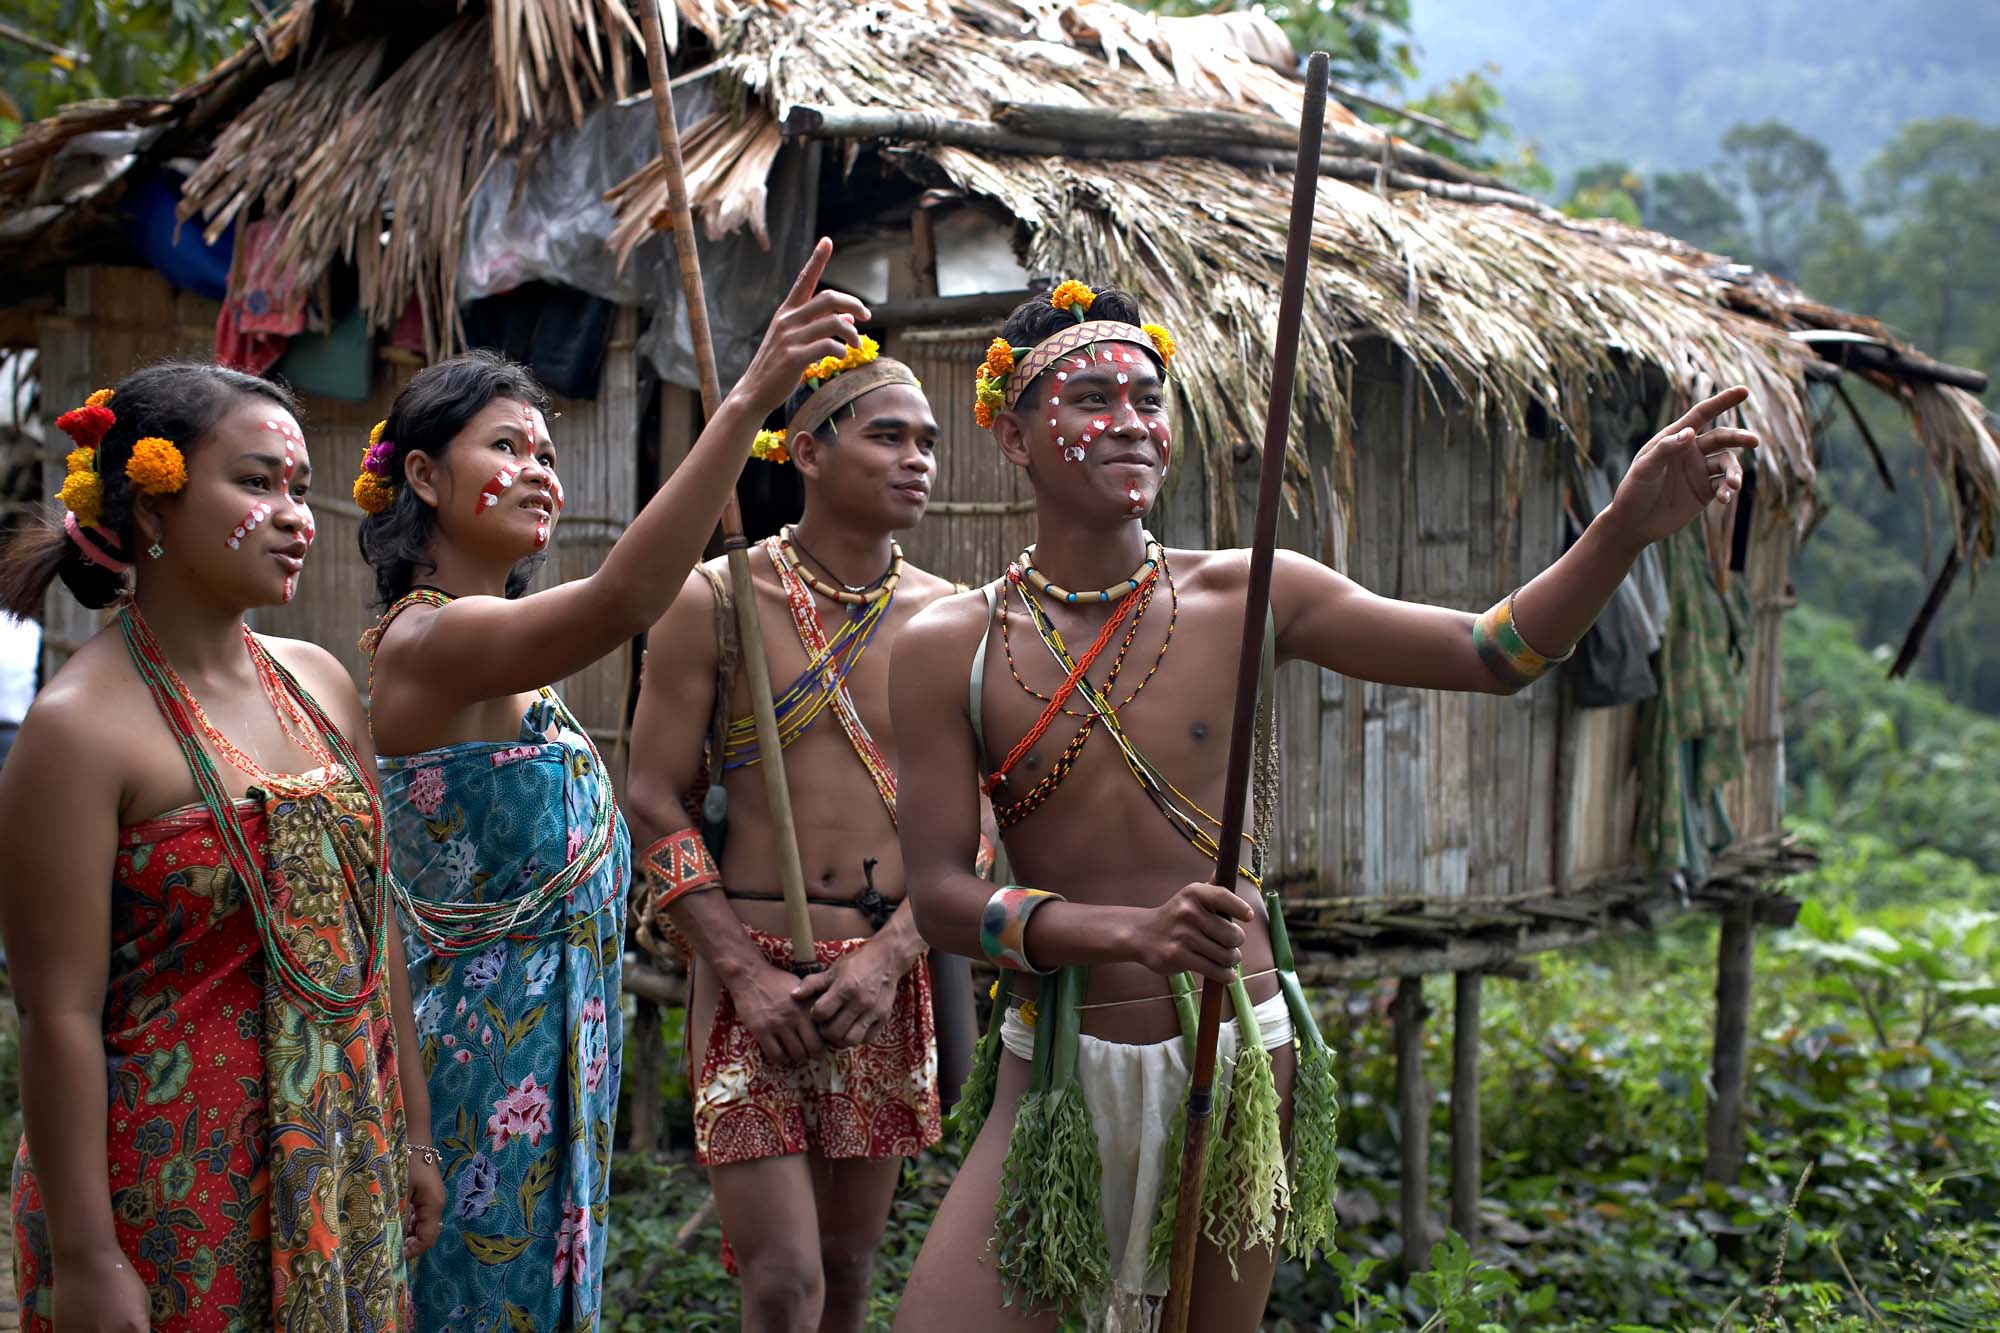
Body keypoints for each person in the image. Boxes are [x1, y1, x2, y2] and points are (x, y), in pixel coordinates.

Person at [889, 281, 1757, 1331]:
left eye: (1147, 398)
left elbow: (1492, 655)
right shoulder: (950, 644)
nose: (1128, 423)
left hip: (1234, 1046)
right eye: (1087, 398)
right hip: (1057, 1055)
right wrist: (1122, 929)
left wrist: (1620, 528)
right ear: (1013, 435)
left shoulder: (1250, 592)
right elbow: (938, 896)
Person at [356, 239, 867, 1331]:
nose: (540, 469)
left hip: (551, 1059)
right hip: (465, 1068)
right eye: (506, 446)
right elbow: (624, 599)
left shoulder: (506, 667)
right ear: (421, 476)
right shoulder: (426, 647)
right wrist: (749, 399)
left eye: (546, 448)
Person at [0, 364, 442, 1332]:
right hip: (172, 1185)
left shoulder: (322, 684)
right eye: (255, 482)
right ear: (151, 505)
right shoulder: (77, 730)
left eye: (295, 485)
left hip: (342, 1151)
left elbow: (375, 932)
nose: (296, 515)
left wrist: (411, 1135)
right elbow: (56, 1012)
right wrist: (87, 1254)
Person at [625, 342, 979, 1331]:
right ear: (807, 454)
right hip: (753, 977)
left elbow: (980, 816)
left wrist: (891, 954)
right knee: (781, 1280)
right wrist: (740, 971)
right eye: (888, 436)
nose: (917, 459)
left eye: (928, 442)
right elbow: (653, 797)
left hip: (881, 978)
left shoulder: (953, 619)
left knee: (847, 1263)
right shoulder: (717, 600)